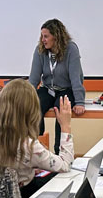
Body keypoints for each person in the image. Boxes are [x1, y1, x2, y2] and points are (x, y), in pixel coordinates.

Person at [0, 78, 74, 198]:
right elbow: (65, 164)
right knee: (62, 176)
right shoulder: (28, 145)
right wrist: (65, 126)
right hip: (19, 197)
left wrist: (28, 167)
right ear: (31, 110)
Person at [28, 18, 85, 153]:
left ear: (56, 36)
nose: (43, 40)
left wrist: (80, 102)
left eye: (46, 36)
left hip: (66, 89)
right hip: (48, 89)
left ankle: (60, 153)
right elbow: (34, 79)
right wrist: (26, 99)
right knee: (35, 106)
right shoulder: (40, 50)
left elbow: (76, 78)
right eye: (42, 36)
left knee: (61, 112)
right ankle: (36, 149)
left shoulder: (71, 49)